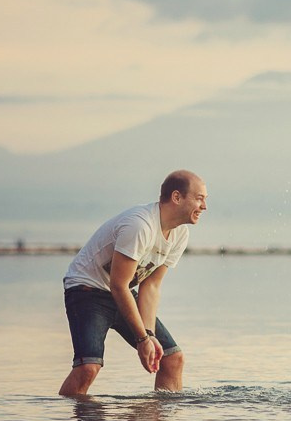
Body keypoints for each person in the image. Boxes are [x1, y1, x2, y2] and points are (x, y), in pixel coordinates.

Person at [58, 170, 207, 396]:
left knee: (171, 359)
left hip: (121, 292)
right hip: (87, 291)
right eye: (199, 198)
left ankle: (158, 419)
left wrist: (149, 335)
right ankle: (70, 417)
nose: (204, 206)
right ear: (177, 197)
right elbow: (119, 284)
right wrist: (142, 339)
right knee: (88, 367)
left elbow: (151, 286)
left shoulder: (180, 235)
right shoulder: (140, 225)